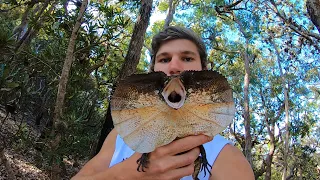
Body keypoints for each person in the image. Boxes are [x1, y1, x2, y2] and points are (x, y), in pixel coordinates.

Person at [72, 26, 254, 180]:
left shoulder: (226, 157)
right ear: (153, 71)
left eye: (187, 58)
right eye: (164, 59)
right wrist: (125, 174)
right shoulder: (120, 139)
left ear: (204, 70)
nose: (174, 66)